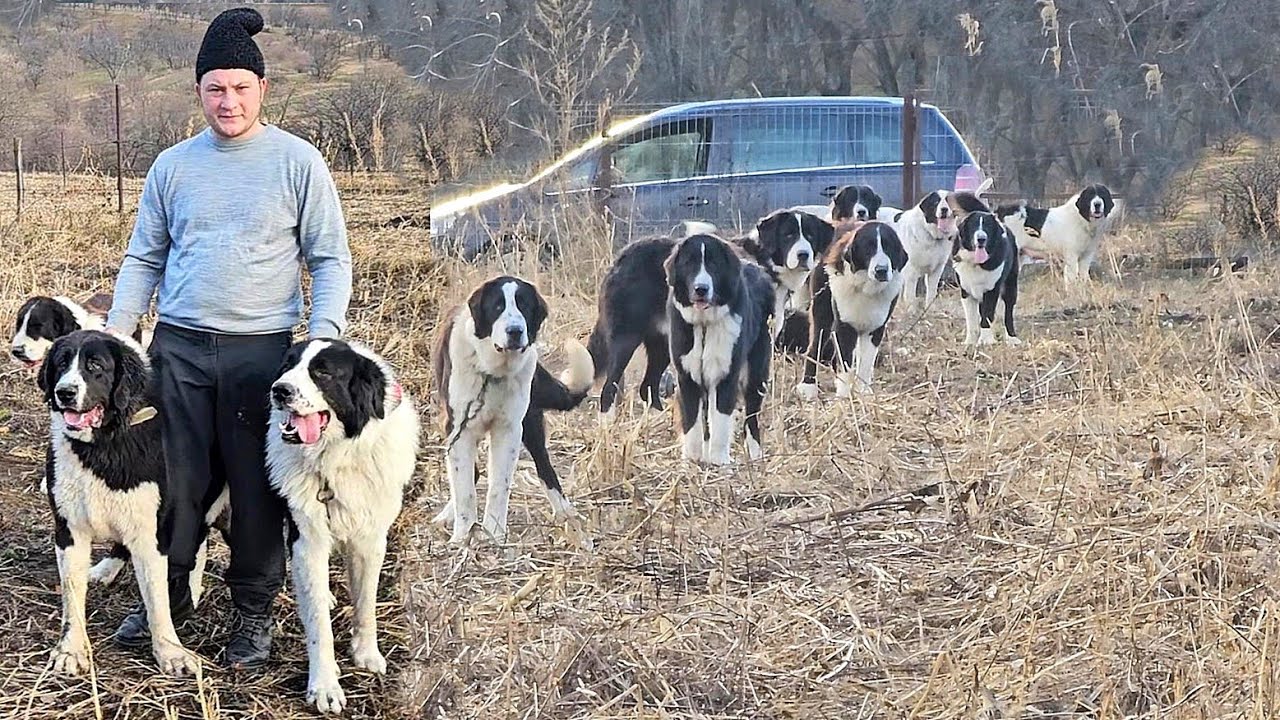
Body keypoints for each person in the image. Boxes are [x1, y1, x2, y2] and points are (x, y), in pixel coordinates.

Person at [105, 7, 353, 670]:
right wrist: (118, 335)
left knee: (255, 486)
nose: (229, 101)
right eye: (216, 88)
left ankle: (251, 613)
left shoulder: (298, 163)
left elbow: (330, 258)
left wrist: (321, 340)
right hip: (178, 349)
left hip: (262, 353)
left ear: (262, 90)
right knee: (171, 480)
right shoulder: (173, 167)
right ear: (199, 94)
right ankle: (170, 598)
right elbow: (144, 257)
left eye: (241, 88)